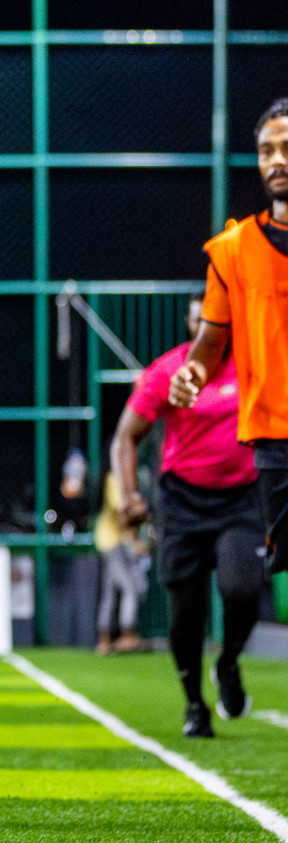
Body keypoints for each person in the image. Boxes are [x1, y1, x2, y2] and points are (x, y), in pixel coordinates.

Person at [171, 96, 288, 720]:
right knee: (248, 585)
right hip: (274, 440)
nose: (277, 160)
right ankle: (214, 673)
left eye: (286, 147)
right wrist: (192, 372)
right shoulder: (234, 251)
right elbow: (212, 343)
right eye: (268, 149)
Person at [115, 292, 261, 736]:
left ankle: (229, 662)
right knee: (186, 613)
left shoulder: (257, 366)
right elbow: (125, 437)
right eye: (198, 321)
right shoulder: (168, 372)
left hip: (241, 499)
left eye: (214, 322)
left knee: (241, 587)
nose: (206, 330)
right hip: (182, 502)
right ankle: (195, 705)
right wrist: (129, 496)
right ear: (188, 323)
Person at [92, 470, 150, 656]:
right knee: (130, 588)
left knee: (111, 590)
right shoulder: (114, 476)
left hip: (116, 541)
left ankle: (105, 639)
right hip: (111, 543)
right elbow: (122, 512)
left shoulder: (129, 477)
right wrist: (134, 540)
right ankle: (126, 635)